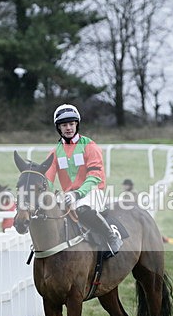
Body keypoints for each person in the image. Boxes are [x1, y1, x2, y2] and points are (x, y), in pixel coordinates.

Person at [44, 103, 122, 257]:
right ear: (58, 128)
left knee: (82, 209)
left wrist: (77, 194)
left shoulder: (90, 146)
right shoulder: (54, 152)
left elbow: (94, 176)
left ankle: (111, 237)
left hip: (92, 191)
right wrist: (49, 194)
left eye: (71, 124)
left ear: (77, 124)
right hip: (68, 195)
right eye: (64, 125)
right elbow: (47, 179)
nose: (68, 128)